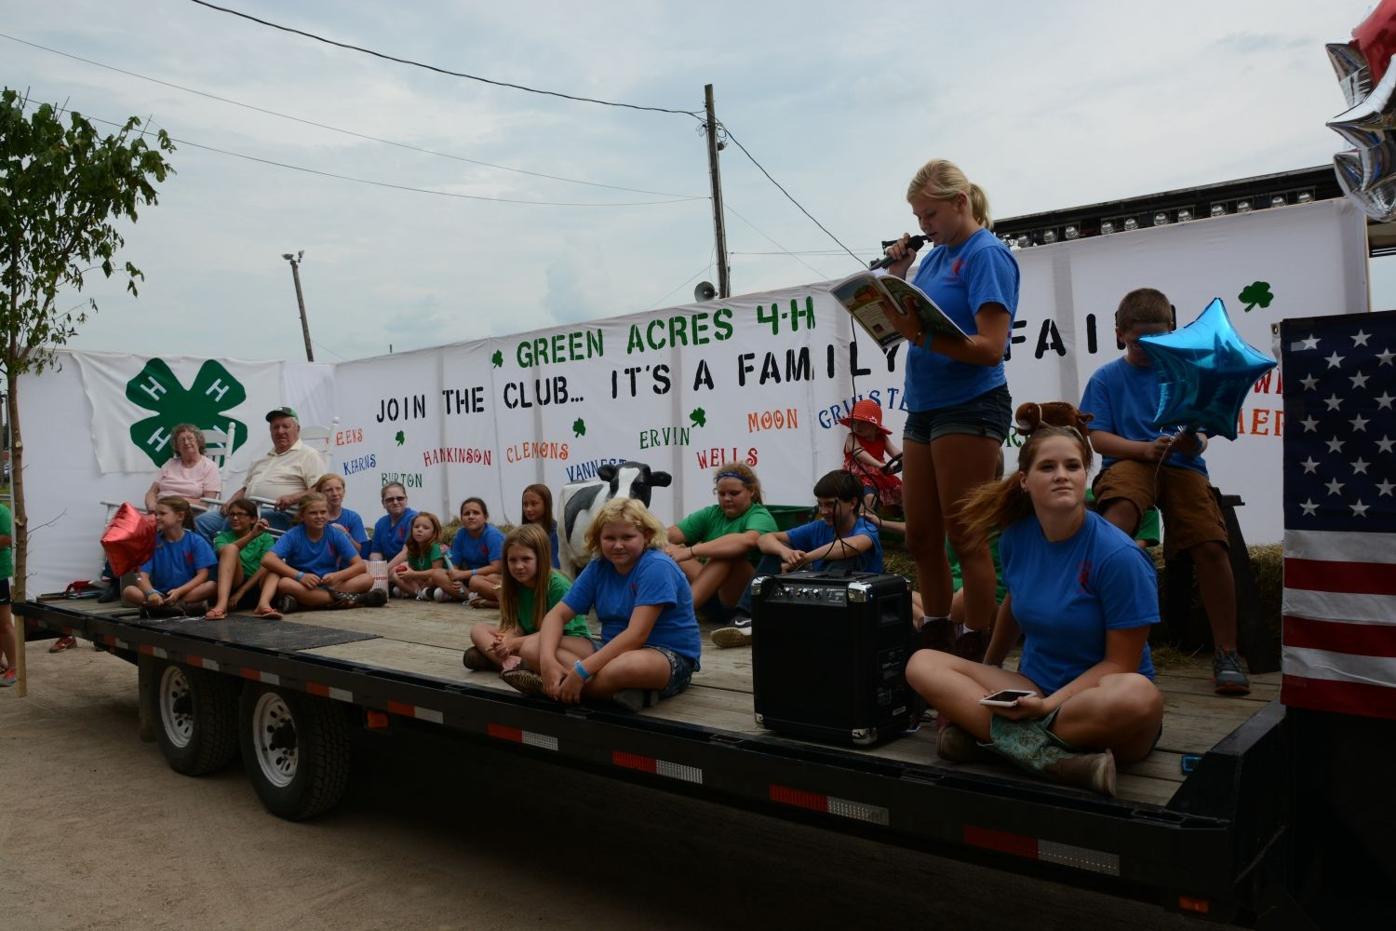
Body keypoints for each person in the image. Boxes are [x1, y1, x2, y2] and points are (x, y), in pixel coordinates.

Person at [904, 425, 1165, 797]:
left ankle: (994, 743)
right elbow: (1013, 603)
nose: (1062, 475)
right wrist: (991, 668)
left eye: (1072, 466)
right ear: (1025, 481)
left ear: (1084, 475)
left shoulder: (1120, 557)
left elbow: (1119, 664)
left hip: (1095, 706)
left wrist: (1047, 706)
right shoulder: (1016, 538)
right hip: (1033, 688)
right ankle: (1053, 761)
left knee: (1139, 695)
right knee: (922, 663)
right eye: (1048, 467)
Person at [880, 159, 1019, 656]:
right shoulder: (935, 258)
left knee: (965, 535)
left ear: (960, 203)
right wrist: (897, 277)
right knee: (920, 535)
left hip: (971, 403)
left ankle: (975, 644)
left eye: (930, 214)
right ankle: (937, 632)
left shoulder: (987, 255)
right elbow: (911, 327)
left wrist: (923, 338)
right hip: (926, 406)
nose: (923, 226)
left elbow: (990, 347)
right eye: (918, 217)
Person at [1079, 287, 1248, 696]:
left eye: (1159, 339)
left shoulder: (1189, 371)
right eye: (1140, 342)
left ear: (1173, 330)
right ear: (1120, 334)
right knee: (1117, 520)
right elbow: (1097, 438)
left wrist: (1196, 442)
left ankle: (1227, 651)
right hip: (1127, 463)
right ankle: (1101, 639)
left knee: (1210, 543)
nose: (1149, 349)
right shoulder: (1106, 377)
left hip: (1183, 465)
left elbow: (1205, 427)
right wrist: (1141, 448)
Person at [501, 498, 701, 712]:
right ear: (598, 538)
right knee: (532, 647)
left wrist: (581, 672)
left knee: (624, 667)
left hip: (665, 654)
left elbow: (636, 635)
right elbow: (556, 616)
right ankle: (614, 692)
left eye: (627, 537)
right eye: (609, 537)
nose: (617, 545)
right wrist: (548, 661)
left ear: (647, 536)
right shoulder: (599, 567)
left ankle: (560, 688)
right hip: (611, 647)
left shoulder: (656, 566)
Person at [710, 469, 889, 648]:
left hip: (858, 608)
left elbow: (852, 546)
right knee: (775, 552)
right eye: (820, 504)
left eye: (830, 505)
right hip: (818, 601)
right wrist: (785, 553)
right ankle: (746, 619)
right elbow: (764, 539)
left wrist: (806, 558)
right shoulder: (819, 527)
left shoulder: (865, 526)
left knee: (842, 561)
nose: (823, 511)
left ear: (852, 503)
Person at [462, 524, 590, 672]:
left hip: (565, 642)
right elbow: (516, 626)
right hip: (529, 639)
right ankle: (515, 663)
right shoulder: (513, 585)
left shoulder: (557, 586)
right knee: (478, 630)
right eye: (513, 560)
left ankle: (510, 662)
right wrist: (504, 640)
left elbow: (556, 633)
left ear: (540, 558)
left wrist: (513, 644)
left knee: (525, 649)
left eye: (526, 559)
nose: (519, 566)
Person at [665, 463, 777, 625]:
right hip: (712, 593)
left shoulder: (759, 515)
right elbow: (668, 535)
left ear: (751, 491)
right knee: (663, 547)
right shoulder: (711, 513)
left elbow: (748, 540)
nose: (727, 499)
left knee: (728, 554)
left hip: (744, 600)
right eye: (721, 493)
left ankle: (676, 615)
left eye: (734, 493)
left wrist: (691, 551)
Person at [195, 407, 325, 541]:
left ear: (297, 429)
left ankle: (228, 559)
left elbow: (319, 489)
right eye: (275, 427)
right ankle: (210, 561)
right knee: (201, 522)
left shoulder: (308, 455)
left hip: (282, 514)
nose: (280, 431)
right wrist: (232, 501)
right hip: (247, 510)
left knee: (236, 522)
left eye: (285, 426)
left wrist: (292, 498)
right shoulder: (264, 458)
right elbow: (245, 488)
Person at [255, 492, 385, 618]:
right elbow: (268, 559)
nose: (319, 516)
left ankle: (309, 603)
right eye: (313, 513)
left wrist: (337, 575)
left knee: (367, 579)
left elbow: (360, 565)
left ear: (328, 514)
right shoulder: (293, 535)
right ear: (302, 516)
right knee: (284, 584)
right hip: (303, 585)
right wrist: (301, 576)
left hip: (329, 585)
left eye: (323, 512)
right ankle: (350, 601)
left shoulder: (335, 534)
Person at [121, 497, 218, 616]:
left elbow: (202, 575)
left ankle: (164, 608)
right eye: (155, 514)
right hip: (158, 594)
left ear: (180, 516)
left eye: (162, 514)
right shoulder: (151, 542)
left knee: (211, 586)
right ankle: (171, 607)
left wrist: (179, 591)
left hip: (185, 592)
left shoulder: (196, 541)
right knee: (129, 591)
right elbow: (141, 576)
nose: (156, 517)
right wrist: (151, 593)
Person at [204, 498, 276, 620]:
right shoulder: (222, 537)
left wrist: (241, 592)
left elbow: (265, 566)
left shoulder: (265, 538)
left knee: (273, 565)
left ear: (253, 519)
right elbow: (224, 552)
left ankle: (264, 605)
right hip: (232, 584)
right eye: (232, 514)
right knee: (230, 549)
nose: (235, 518)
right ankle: (221, 606)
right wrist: (251, 536)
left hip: (255, 586)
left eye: (240, 514)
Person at [840, 400, 903, 514]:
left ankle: (909, 522)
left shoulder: (882, 438)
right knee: (869, 497)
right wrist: (880, 465)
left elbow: (896, 453)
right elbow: (859, 453)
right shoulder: (852, 438)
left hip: (879, 476)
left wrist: (908, 459)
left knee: (905, 492)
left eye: (863, 422)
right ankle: (862, 524)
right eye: (854, 422)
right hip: (858, 478)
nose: (857, 426)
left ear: (875, 426)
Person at [144, 423, 221, 513]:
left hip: (186, 513)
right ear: (177, 447)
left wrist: (176, 503)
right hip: (159, 510)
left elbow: (207, 502)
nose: (186, 442)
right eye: (181, 440)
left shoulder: (210, 466)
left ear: (198, 441)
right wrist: (151, 506)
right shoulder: (170, 463)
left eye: (190, 438)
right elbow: (152, 492)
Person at [444, 497, 504, 607]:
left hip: (494, 578)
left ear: (485, 517)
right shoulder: (460, 534)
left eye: (476, 513)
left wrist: (464, 574)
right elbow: (454, 566)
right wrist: (455, 576)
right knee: (437, 574)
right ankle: (471, 597)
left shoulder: (493, 535)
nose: (471, 516)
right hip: (469, 578)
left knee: (475, 581)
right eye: (467, 514)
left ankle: (497, 602)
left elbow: (497, 567)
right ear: (461, 518)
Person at [386, 511, 452, 599]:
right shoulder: (412, 548)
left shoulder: (436, 548)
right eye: (416, 527)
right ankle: (419, 593)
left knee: (433, 579)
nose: (419, 529)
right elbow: (411, 570)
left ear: (434, 532)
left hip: (436, 580)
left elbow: (436, 572)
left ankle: (413, 592)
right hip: (421, 579)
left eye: (426, 528)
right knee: (396, 574)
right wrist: (410, 576)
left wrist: (413, 574)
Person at [314, 474, 369, 554]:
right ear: (320, 493)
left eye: (338, 489)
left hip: (349, 564)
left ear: (344, 491)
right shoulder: (314, 518)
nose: (335, 493)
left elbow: (360, 552)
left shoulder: (353, 517)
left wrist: (346, 534)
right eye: (329, 490)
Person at [368, 482, 416, 563]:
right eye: (390, 499)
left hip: (409, 564)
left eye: (399, 498)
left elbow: (407, 553)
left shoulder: (414, 519)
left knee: (397, 574)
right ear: (383, 503)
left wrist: (385, 569)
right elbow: (376, 552)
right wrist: (376, 564)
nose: (395, 502)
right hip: (387, 567)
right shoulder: (380, 523)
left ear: (406, 500)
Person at [520, 483, 562, 569]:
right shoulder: (521, 533)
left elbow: (555, 565)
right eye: (525, 504)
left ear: (546, 505)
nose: (528, 509)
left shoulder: (555, 532)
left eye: (534, 504)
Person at [0, 502, 16, 686]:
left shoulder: (2, 511)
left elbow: (7, 538)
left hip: (0, 575)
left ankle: (14, 668)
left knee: (4, 624)